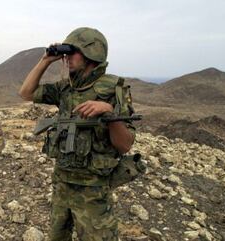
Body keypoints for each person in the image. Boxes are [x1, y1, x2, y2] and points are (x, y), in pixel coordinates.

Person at [18, 27, 137, 241]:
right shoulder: (65, 88)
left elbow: (125, 145)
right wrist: (45, 60)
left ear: (92, 54)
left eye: (72, 52)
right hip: (62, 183)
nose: (66, 58)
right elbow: (26, 93)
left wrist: (109, 112)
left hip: (93, 189)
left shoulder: (113, 89)